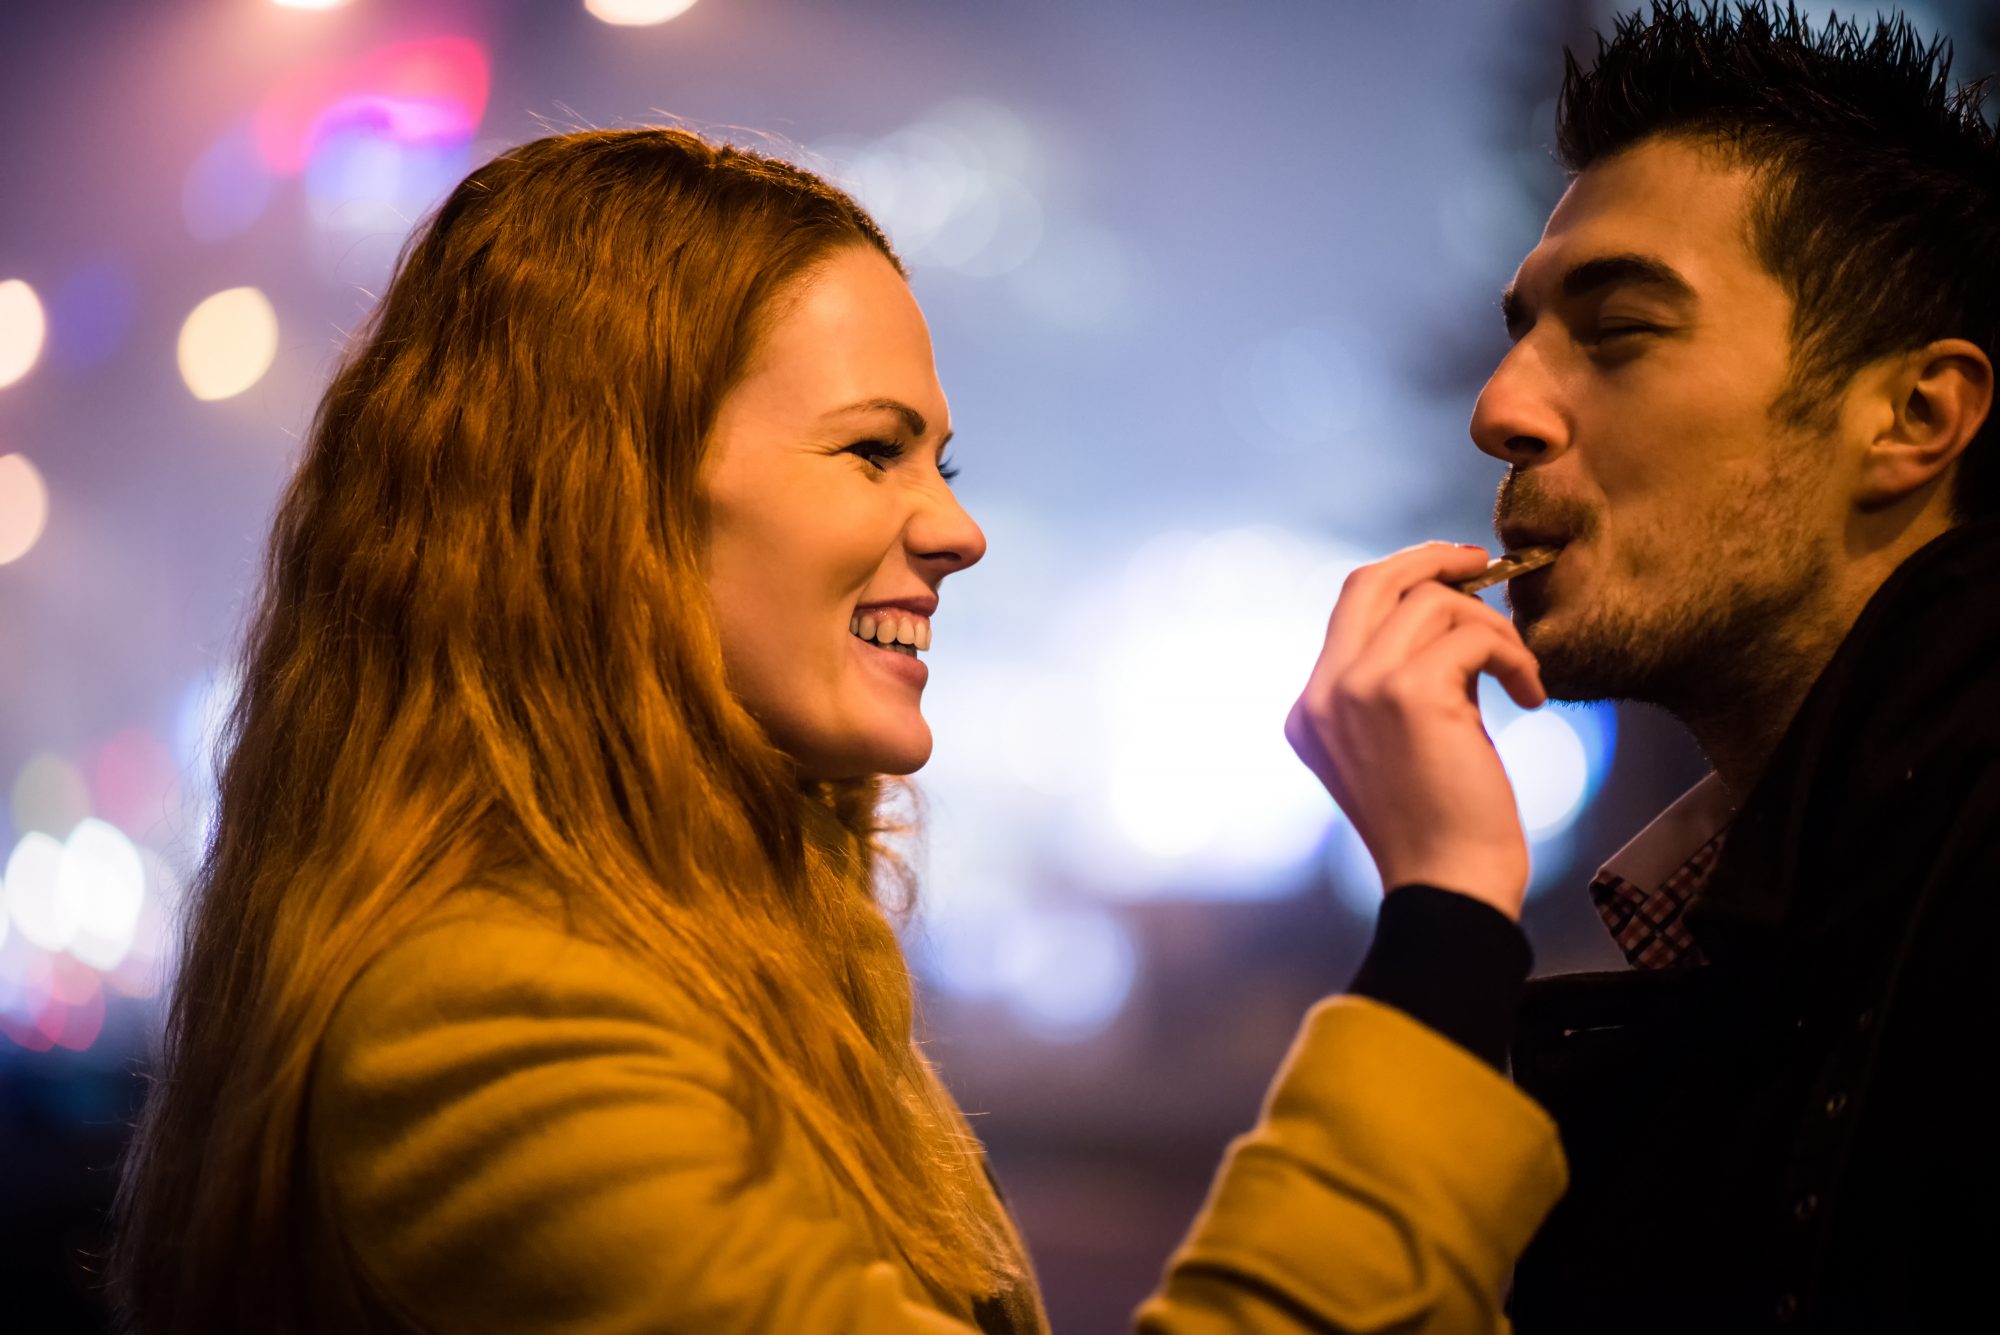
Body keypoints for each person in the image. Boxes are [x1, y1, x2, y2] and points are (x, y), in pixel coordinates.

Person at [109, 127, 1565, 1334]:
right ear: (601, 503)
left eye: (939, 459)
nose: (957, 529)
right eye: (872, 451)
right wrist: (1442, 920)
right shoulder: (493, 1016)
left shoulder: (743, 963)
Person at [1290, 3, 2000, 1330]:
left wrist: (1446, 917)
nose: (1501, 410)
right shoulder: (1769, 918)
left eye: (1617, 332)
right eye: (1524, 331)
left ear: (1914, 417)